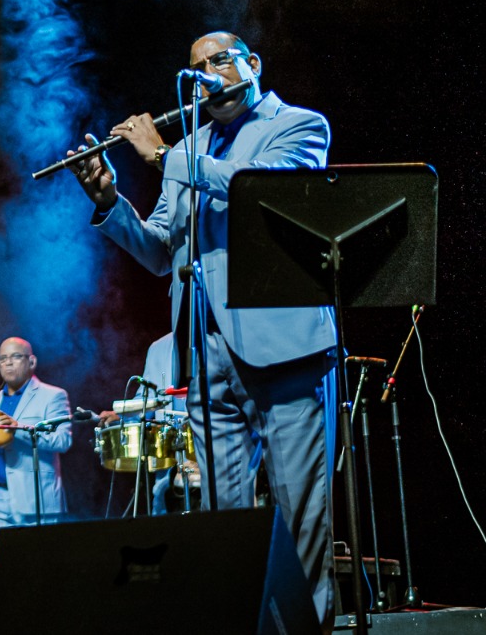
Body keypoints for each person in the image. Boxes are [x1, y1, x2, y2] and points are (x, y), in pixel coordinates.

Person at [68, 31, 337, 622]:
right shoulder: (189, 147)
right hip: (204, 353)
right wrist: (110, 202)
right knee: (224, 526)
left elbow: (257, 191)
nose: (208, 73)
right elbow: (160, 252)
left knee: (302, 517)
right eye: (197, 68)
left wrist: (162, 156)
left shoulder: (299, 126)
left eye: (221, 61)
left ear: (252, 64)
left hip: (283, 348)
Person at [0, 336, 71, 560]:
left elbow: (63, 440)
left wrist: (19, 429)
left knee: (38, 567)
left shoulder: (53, 395)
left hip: (35, 500)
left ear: (31, 362)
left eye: (15, 357)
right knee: (0, 569)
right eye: (3, 358)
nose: (8, 363)